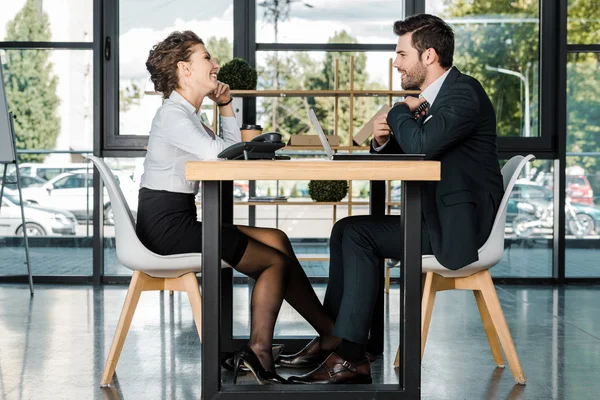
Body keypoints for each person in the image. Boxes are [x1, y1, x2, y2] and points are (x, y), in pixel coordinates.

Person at [283, 14, 505, 384]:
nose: (396, 62)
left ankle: (352, 358)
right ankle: (337, 337)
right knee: (345, 230)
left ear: (429, 56)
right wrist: (383, 139)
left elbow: (422, 145)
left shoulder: (463, 93)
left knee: (358, 235)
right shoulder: (436, 99)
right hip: (436, 219)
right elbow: (409, 151)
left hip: (459, 230)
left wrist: (400, 110)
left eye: (402, 53)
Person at [137, 31, 337, 385]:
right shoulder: (173, 116)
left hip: (177, 219)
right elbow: (219, 156)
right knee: (273, 262)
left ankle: (328, 333)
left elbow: (226, 150)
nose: (215, 65)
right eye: (206, 58)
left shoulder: (187, 114)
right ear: (185, 69)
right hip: (167, 230)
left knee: (275, 238)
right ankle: (260, 351)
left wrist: (225, 104)